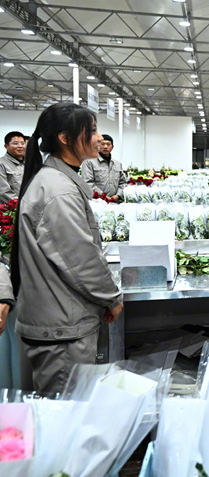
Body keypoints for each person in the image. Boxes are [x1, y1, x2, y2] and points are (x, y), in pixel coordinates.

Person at [10, 103, 123, 394]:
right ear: (64, 138)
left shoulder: (56, 181)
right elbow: (79, 259)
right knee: (67, 410)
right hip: (62, 326)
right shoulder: (58, 190)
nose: (99, 138)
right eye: (92, 131)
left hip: (59, 319)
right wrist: (111, 297)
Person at [80, 134, 127, 202]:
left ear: (112, 147)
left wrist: (118, 195)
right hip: (96, 202)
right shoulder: (89, 162)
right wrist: (102, 196)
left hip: (114, 202)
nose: (105, 147)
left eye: (108, 144)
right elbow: (87, 183)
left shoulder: (117, 164)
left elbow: (122, 183)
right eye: (102, 144)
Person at [0, 132, 26, 203]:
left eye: (23, 143)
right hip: (11, 207)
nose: (20, 146)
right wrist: (22, 205)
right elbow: (3, 191)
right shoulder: (1, 164)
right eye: (15, 143)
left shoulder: (29, 163)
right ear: (6, 146)